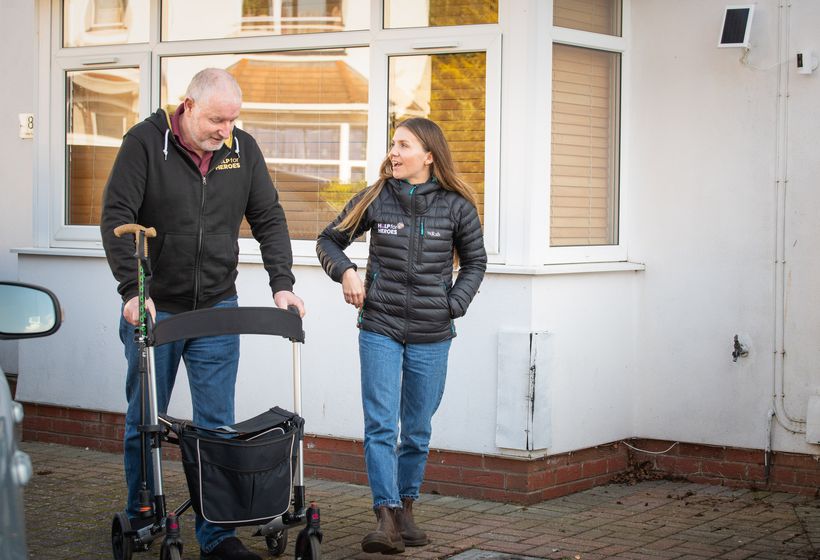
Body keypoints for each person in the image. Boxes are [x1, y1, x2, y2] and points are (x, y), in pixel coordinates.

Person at [101, 68, 304, 560]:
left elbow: (269, 217)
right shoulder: (144, 144)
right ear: (188, 106)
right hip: (158, 308)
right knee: (145, 422)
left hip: (217, 305)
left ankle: (217, 536)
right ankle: (145, 513)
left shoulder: (241, 150)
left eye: (233, 120)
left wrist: (283, 285)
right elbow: (117, 219)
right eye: (216, 119)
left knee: (216, 426)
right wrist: (133, 290)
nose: (225, 130)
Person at [316, 117, 487, 554]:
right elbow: (328, 240)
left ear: (428, 155)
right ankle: (386, 517)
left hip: (432, 332)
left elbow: (475, 264)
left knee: (416, 429)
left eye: (403, 145)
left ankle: (407, 509)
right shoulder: (376, 198)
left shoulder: (456, 207)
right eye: (393, 145)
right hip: (380, 325)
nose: (393, 152)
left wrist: (452, 305)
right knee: (379, 424)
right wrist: (346, 272)